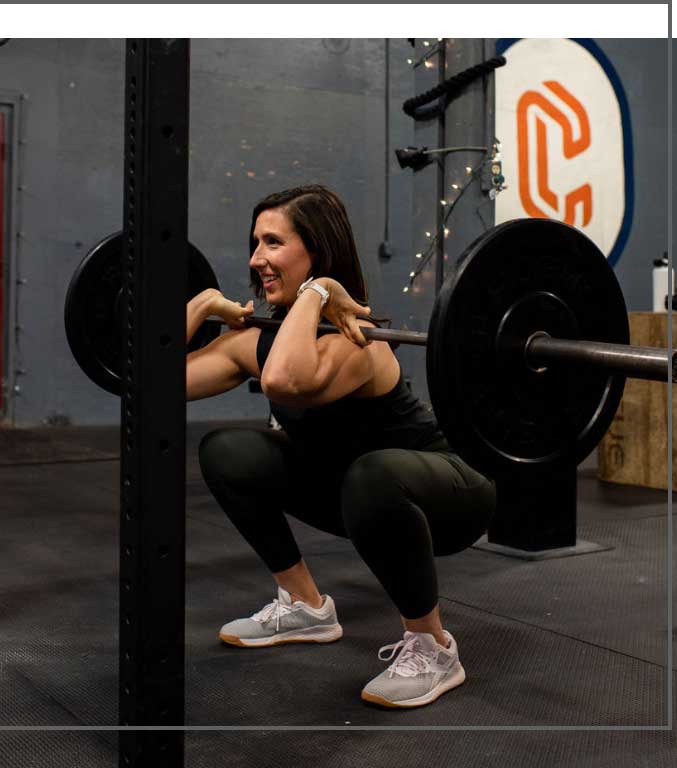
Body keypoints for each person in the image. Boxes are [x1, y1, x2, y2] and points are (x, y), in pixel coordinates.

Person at [186, 185, 496, 709]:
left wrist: (319, 292)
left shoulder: (362, 343)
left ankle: (433, 646)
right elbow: (145, 384)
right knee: (227, 451)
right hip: (354, 496)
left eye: (273, 242)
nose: (256, 258)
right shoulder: (256, 339)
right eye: (254, 242)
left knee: (372, 474)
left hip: (450, 495)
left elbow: (284, 380)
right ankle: (306, 607)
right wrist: (198, 308)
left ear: (316, 252)